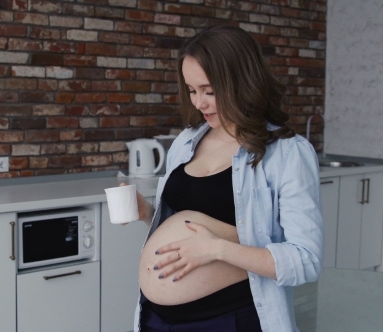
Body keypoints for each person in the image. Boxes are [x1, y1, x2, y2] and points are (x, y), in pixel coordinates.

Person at [131, 25, 324, 332]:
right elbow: (189, 228)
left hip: (229, 320)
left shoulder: (288, 153)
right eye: (192, 91)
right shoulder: (186, 141)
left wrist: (217, 249)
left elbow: (306, 260)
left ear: (242, 82)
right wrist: (148, 216)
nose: (198, 103)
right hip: (155, 319)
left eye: (208, 91)